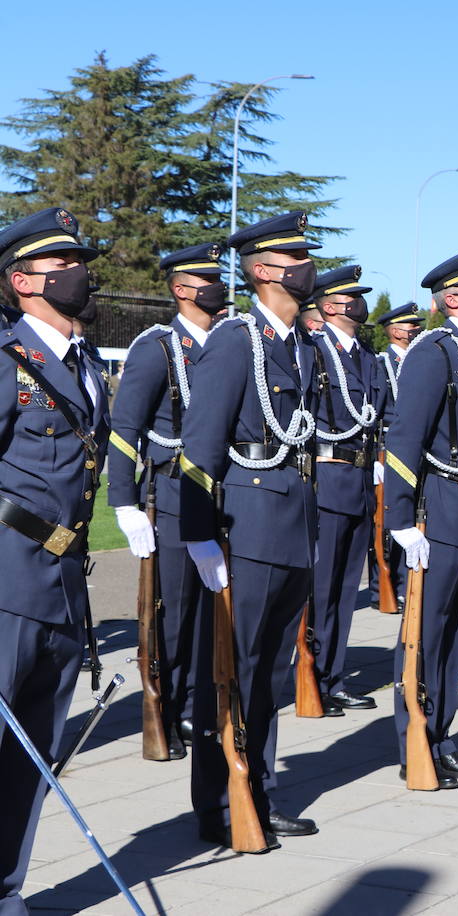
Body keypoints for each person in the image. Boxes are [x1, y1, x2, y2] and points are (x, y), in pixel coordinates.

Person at [179, 210, 322, 849]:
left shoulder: (301, 344)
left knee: (269, 673)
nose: (306, 268)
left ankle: (256, 787)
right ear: (263, 271)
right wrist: (199, 534)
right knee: (232, 670)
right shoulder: (238, 340)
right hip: (248, 521)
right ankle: (217, 802)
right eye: (293, 259)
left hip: (293, 522)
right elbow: (200, 444)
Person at [0, 208, 109, 910]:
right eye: (61, 264)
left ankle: (7, 889)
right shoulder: (6, 360)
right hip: (6, 580)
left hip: (65, 583)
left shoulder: (88, 361)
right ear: (22, 280)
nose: (79, 274)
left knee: (31, 759)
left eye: (79, 262)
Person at [384, 248, 458, 787]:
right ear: (454, 298)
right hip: (443, 505)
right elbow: (406, 437)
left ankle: (442, 734)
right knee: (426, 633)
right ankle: (415, 741)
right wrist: (402, 519)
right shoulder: (434, 351)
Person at [108, 242, 225, 760]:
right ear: (181, 290)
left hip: (224, 495)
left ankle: (202, 703)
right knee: (174, 615)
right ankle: (169, 706)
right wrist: (124, 502)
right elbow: (125, 428)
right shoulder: (157, 346)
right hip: (173, 494)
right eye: (208, 279)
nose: (219, 287)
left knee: (213, 613)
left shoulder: (228, 343)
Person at [305, 266, 383, 715]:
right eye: (351, 297)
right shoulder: (313, 353)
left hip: (359, 483)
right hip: (327, 479)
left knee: (345, 590)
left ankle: (332, 677)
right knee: (320, 587)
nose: (360, 303)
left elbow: (381, 417)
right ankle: (310, 675)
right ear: (331, 306)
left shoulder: (368, 359)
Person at [368, 302, 424, 609]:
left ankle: (405, 582)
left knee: (410, 518)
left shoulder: (419, 360)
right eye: (410, 326)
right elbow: (375, 413)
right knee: (384, 526)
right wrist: (377, 456)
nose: (416, 330)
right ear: (394, 331)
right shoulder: (381, 363)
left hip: (414, 450)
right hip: (387, 451)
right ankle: (381, 588)